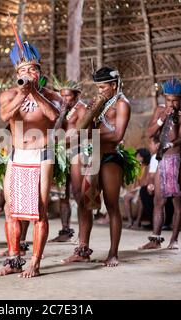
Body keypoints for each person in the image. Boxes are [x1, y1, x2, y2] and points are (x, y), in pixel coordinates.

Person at [0, 23, 61, 278]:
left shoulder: (51, 95)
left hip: (42, 154)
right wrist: (23, 94)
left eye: (32, 69)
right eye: (23, 70)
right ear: (17, 74)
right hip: (17, 154)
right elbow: (4, 116)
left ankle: (35, 260)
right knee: (11, 209)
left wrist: (35, 93)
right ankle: (13, 259)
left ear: (39, 72)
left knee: (40, 209)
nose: (28, 73)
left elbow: (54, 117)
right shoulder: (9, 94)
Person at [62, 67, 131, 267]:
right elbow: (89, 129)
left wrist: (88, 135)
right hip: (92, 156)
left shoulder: (122, 105)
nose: (100, 91)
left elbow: (117, 136)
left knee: (111, 206)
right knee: (84, 202)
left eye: (103, 87)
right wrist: (91, 115)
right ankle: (82, 250)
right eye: (98, 87)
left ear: (114, 85)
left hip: (110, 157)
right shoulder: (100, 103)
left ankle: (113, 253)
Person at [138, 77, 181, 250]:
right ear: (164, 98)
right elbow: (149, 132)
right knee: (158, 201)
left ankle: (174, 240)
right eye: (168, 100)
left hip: (178, 159)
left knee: (178, 202)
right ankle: (155, 239)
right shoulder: (160, 110)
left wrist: (173, 120)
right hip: (162, 159)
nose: (171, 104)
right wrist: (163, 119)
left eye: (175, 100)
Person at [48, 76, 88, 242]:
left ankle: (83, 234)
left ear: (76, 95)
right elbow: (53, 130)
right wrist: (62, 113)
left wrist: (59, 141)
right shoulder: (61, 109)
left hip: (77, 152)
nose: (64, 99)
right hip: (62, 153)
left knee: (78, 194)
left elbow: (82, 134)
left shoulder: (82, 109)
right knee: (63, 194)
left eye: (68, 96)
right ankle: (65, 231)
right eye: (62, 95)